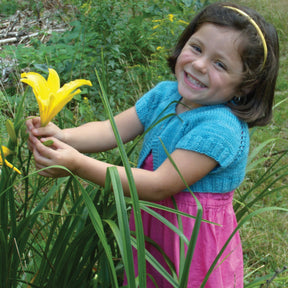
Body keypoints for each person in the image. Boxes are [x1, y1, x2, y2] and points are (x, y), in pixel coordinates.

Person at [26, 2, 279, 287]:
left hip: (191, 241)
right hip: (151, 221)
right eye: (196, 48)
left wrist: (77, 164)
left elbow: (161, 184)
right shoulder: (164, 95)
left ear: (246, 85)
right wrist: (64, 136)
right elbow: (112, 129)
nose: (199, 64)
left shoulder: (220, 128)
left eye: (220, 64)